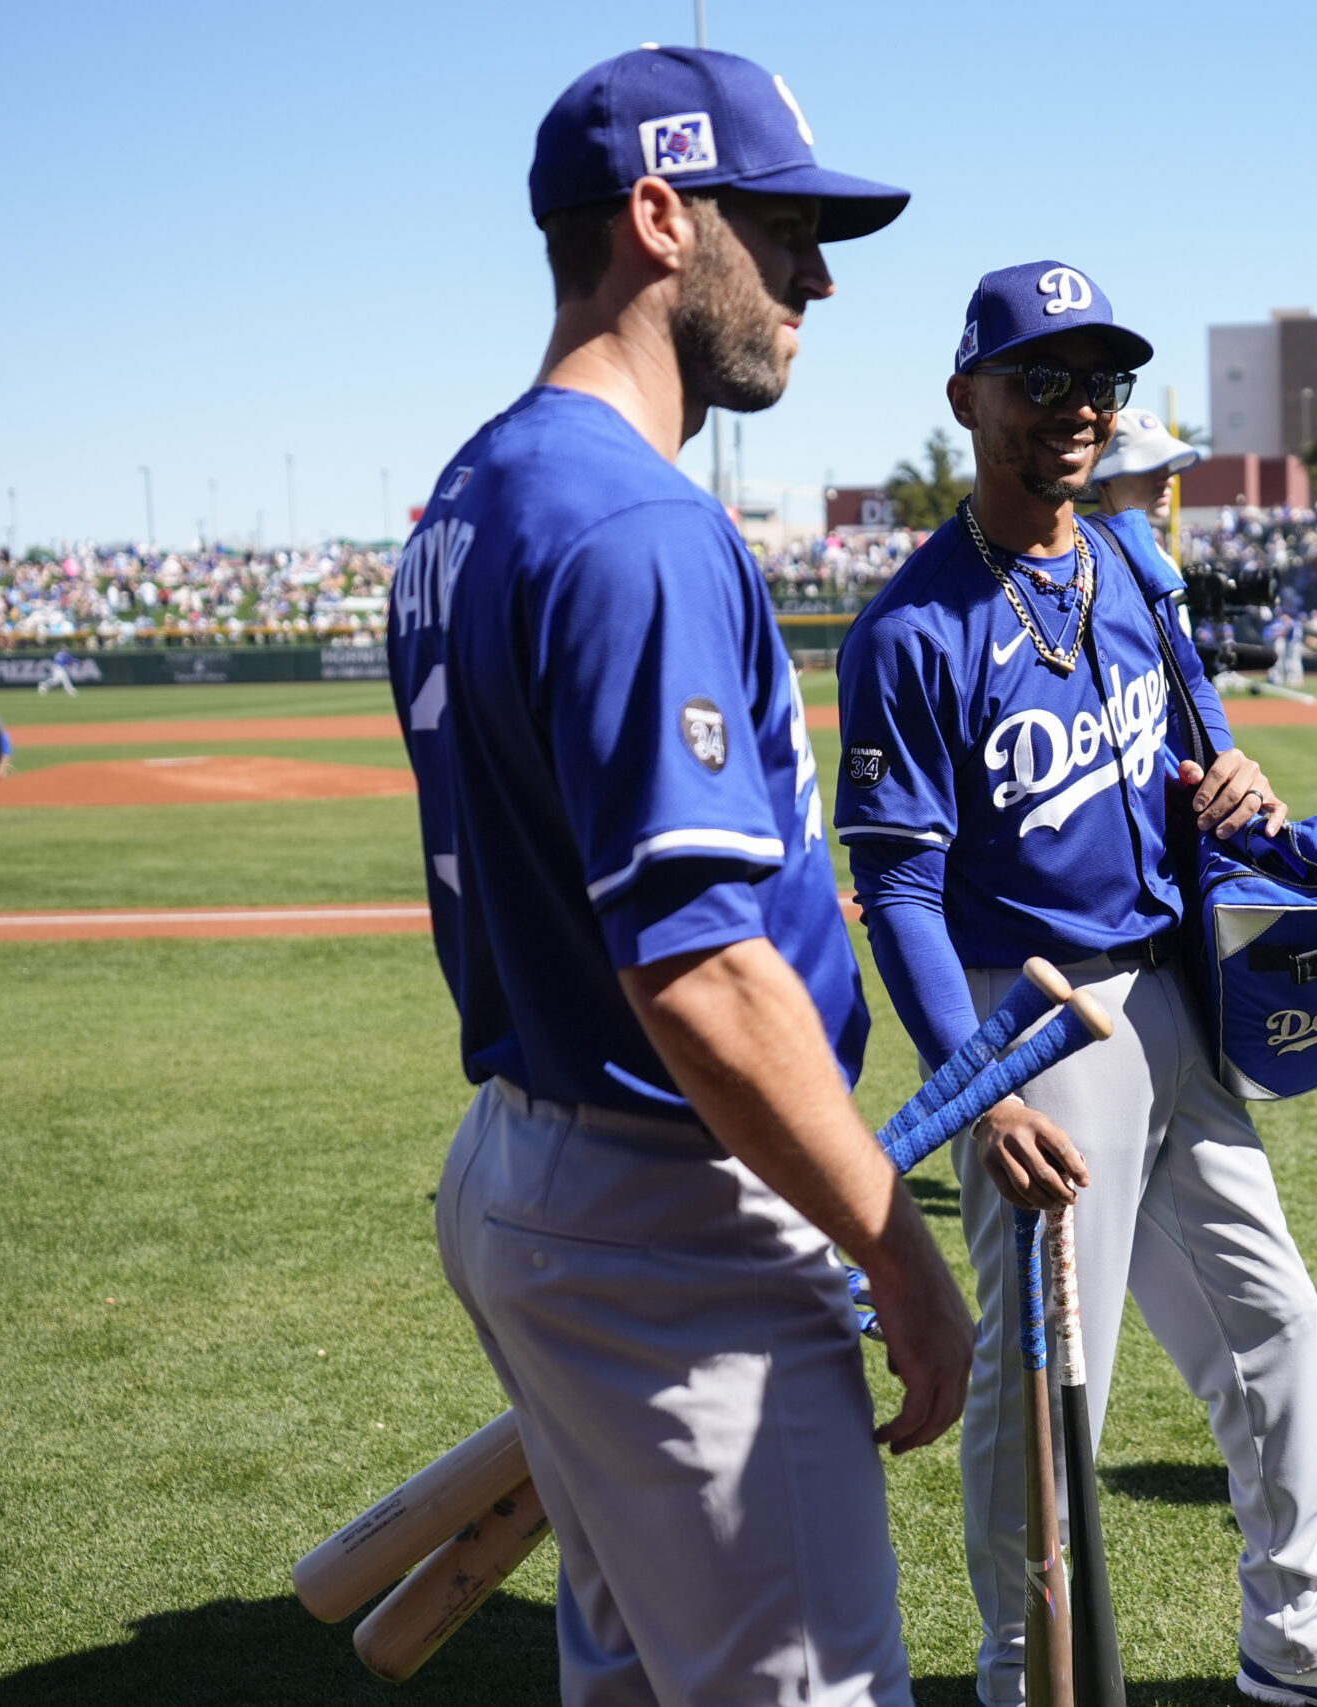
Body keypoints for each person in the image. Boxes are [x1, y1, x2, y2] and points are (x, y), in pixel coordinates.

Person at [385, 46, 970, 1706]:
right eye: (782, 228)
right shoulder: (633, 524)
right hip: (671, 1213)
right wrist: (896, 1251)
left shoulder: (469, 495)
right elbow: (699, 968)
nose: (819, 275)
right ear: (659, 218)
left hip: (540, 1161)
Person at [836, 260, 1317, 1707]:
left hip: (1174, 1001)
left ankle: (1292, 1632)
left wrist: (1234, 783)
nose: (1078, 408)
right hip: (1036, 1020)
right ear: (967, 397)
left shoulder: (1132, 568)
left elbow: (1199, 761)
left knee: (1275, 1317)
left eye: (1100, 381)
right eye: (1042, 376)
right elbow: (902, 887)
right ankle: (1017, 1667)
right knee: (1059, 1384)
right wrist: (977, 1083)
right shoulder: (913, 631)